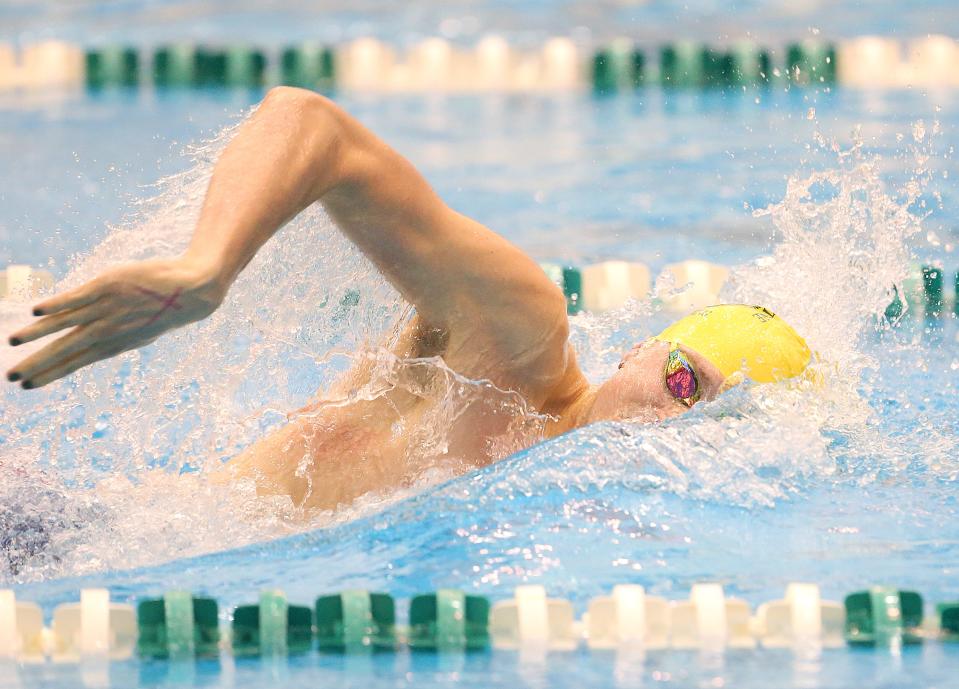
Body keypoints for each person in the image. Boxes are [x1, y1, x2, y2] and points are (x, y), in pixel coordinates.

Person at [4, 87, 811, 512]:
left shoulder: (567, 513)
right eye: (683, 382)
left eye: (709, 422)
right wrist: (209, 265)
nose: (676, 423)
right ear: (641, 347)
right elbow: (311, 124)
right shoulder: (519, 341)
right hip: (53, 527)